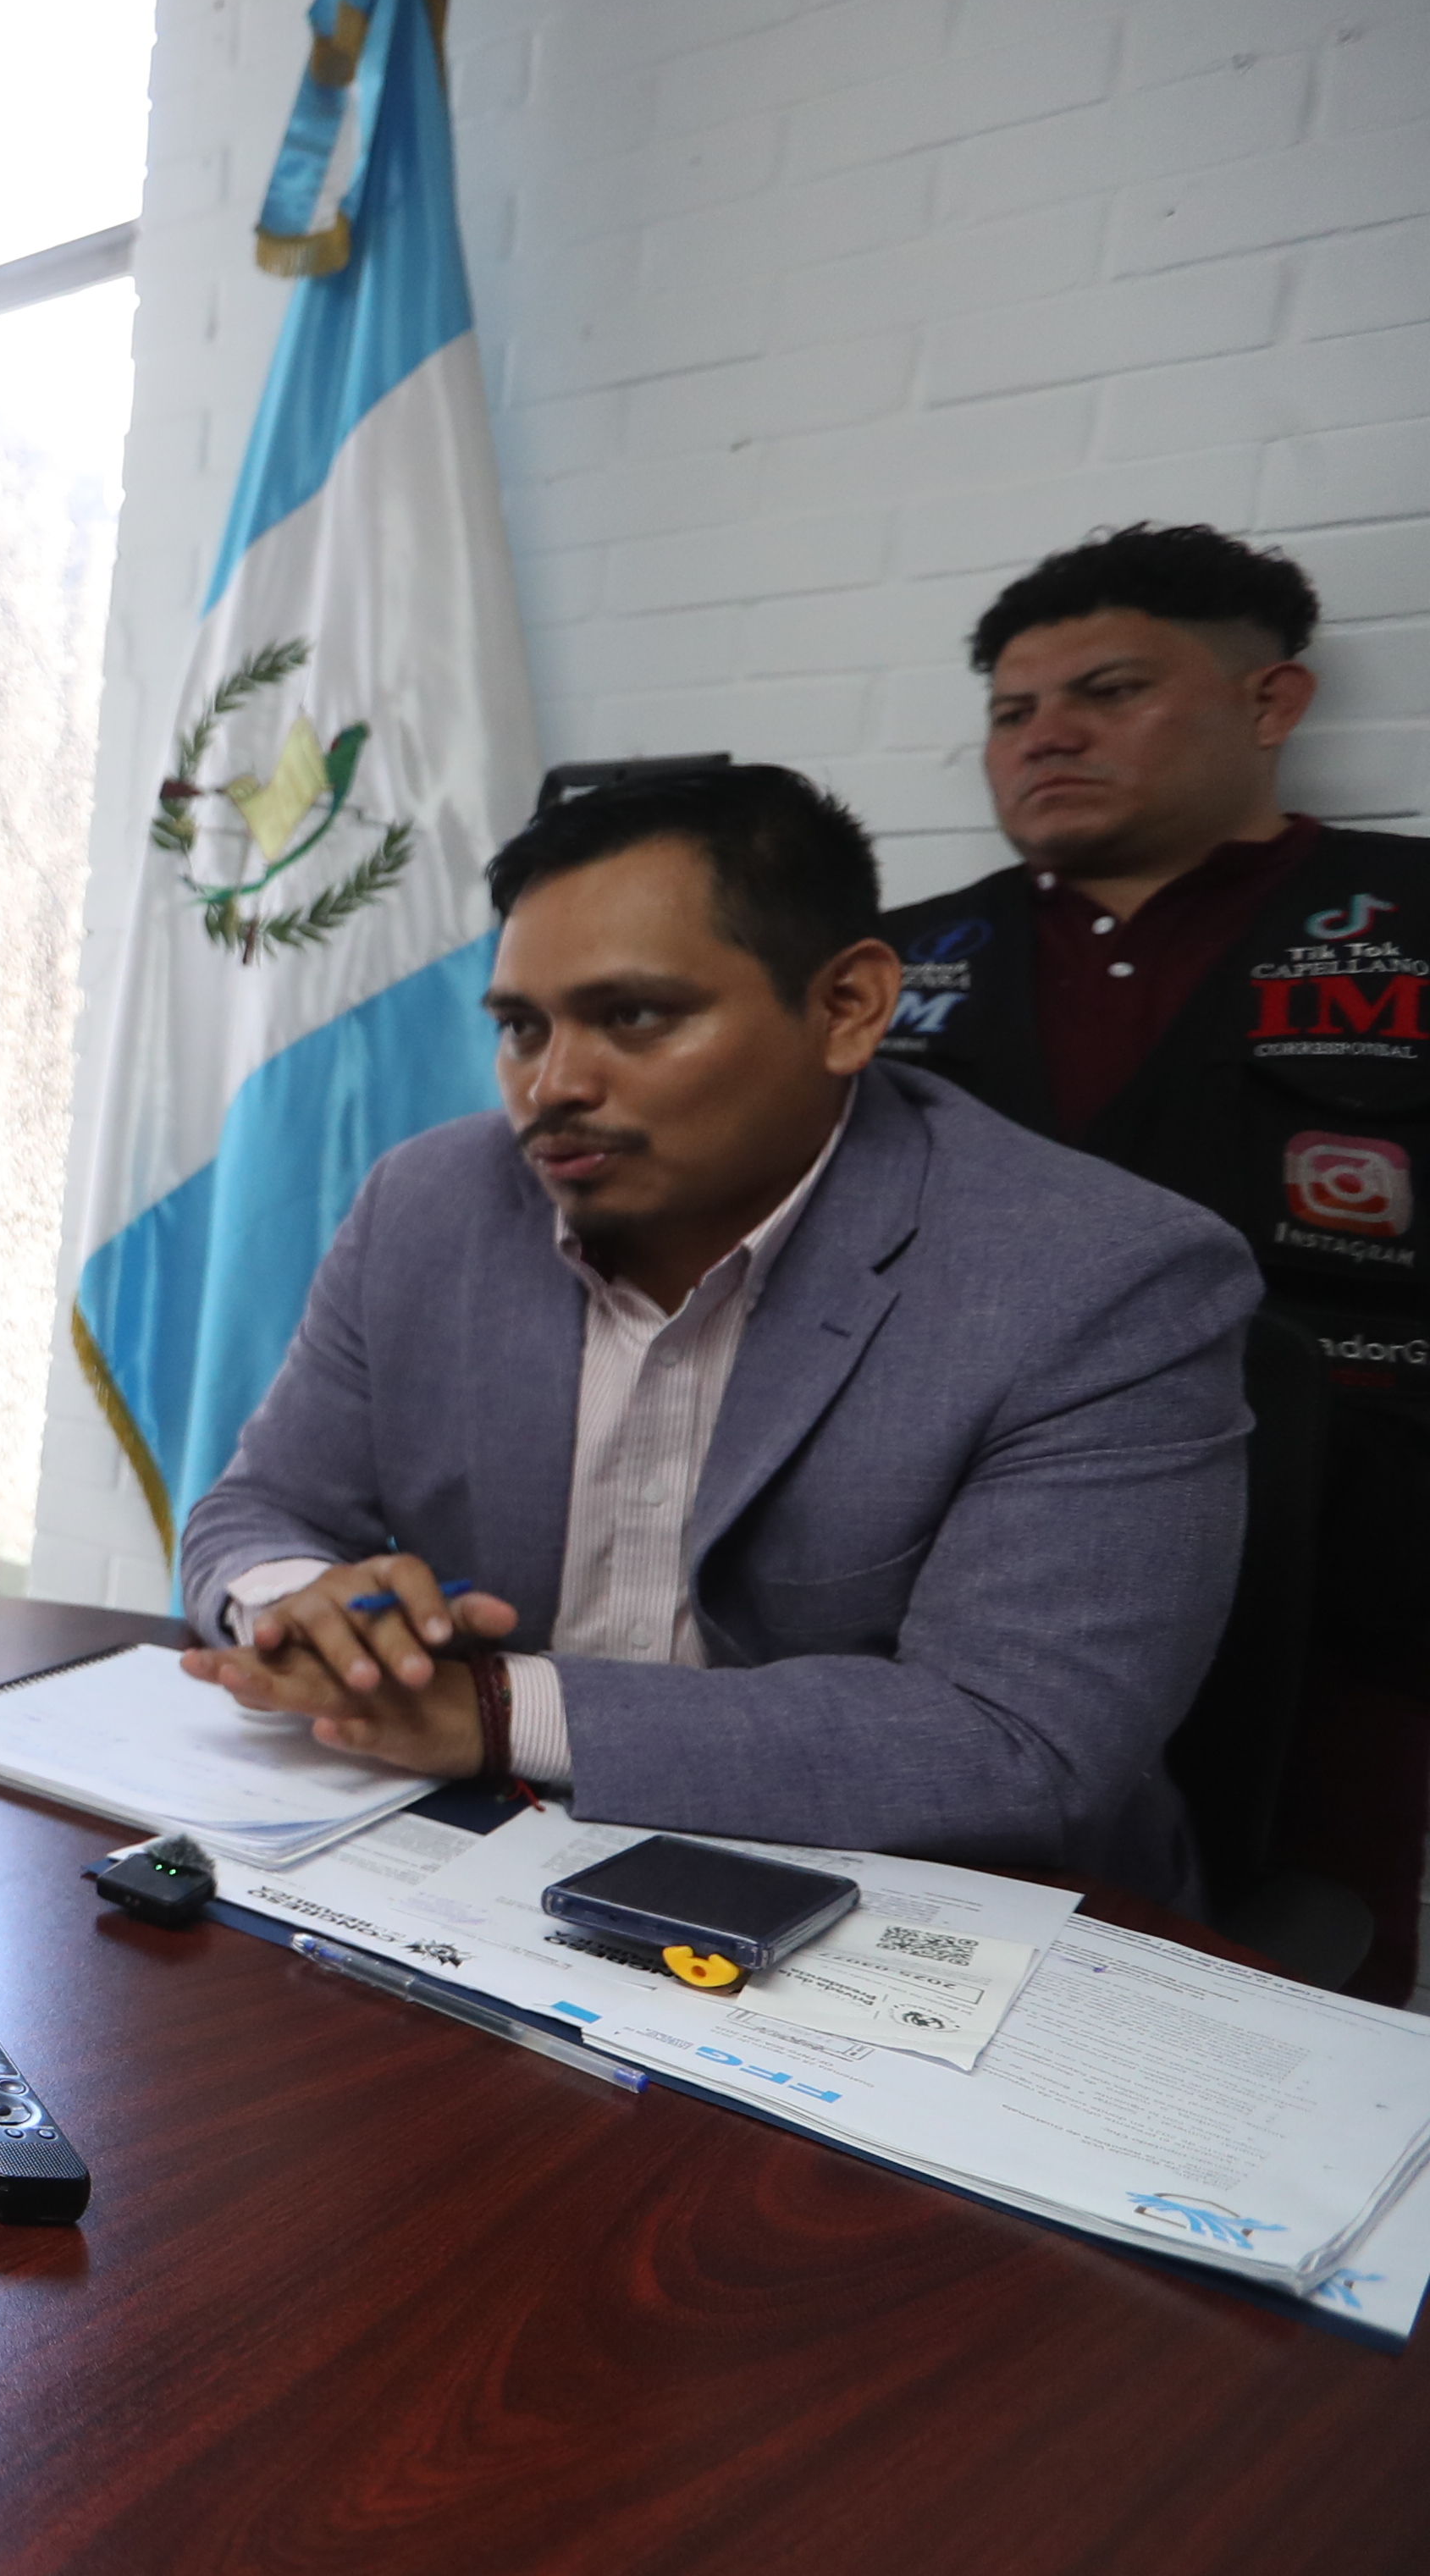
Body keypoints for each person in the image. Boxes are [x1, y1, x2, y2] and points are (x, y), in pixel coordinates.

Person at [177, 758, 1259, 1897]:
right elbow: (262, 1507)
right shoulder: (429, 1201)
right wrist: (306, 1605)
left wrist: (496, 1711)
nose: (552, 1086)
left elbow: (1020, 1743)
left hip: (922, 1913)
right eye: (521, 1028)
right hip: (485, 1870)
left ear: (847, 1008)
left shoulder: (1102, 1277)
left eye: (634, 1016)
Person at [875, 523, 1430, 1977]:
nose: (1043, 735)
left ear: (1270, 705)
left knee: (1299, 1986)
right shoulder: (882, 967)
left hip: (1345, 1586)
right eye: (1009, 712)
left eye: (1107, 691)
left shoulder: (1409, 924)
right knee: (936, 1971)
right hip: (947, 1587)